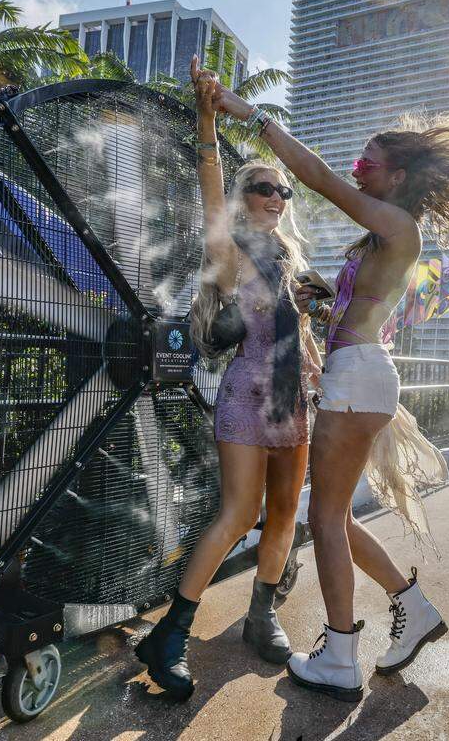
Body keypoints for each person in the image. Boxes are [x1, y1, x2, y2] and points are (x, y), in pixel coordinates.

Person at [202, 64, 449, 702]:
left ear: (396, 177)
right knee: (337, 517)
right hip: (359, 372)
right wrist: (316, 299)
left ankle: (340, 654)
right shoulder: (383, 231)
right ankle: (412, 604)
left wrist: (245, 112)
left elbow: (314, 177)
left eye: (367, 160)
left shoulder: (398, 226)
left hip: (359, 376)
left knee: (322, 519)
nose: (357, 166)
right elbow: (352, 305)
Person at [134, 58, 323, 701]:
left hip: (294, 403)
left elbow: (290, 332)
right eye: (264, 189)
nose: (275, 198)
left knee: (281, 519)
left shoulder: (287, 262)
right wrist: (209, 116)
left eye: (283, 192)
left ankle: (260, 614)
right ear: (246, 200)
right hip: (247, 397)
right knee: (239, 512)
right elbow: (208, 184)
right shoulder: (231, 251)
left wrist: (314, 356)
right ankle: (170, 635)